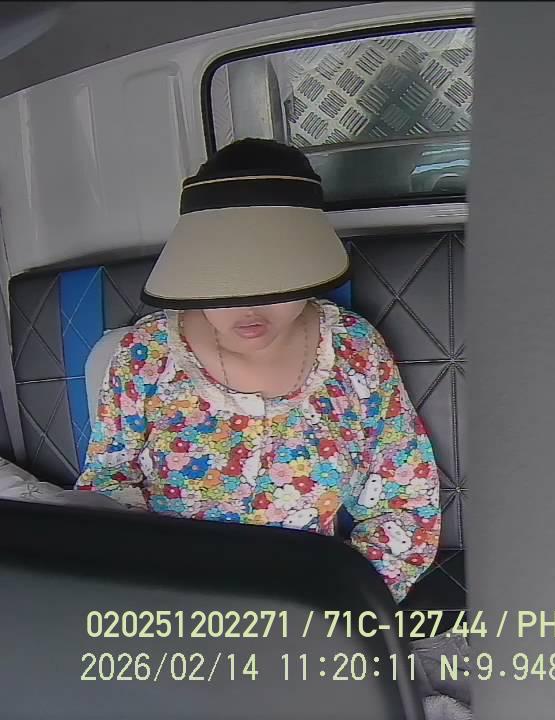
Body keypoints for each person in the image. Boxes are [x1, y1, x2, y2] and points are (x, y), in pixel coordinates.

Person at [74, 138, 441, 604]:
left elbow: (404, 503)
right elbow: (108, 484)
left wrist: (337, 609)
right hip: (171, 598)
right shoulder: (145, 355)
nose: (249, 308)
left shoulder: (354, 349)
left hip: (310, 602)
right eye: (223, 284)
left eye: (274, 283)